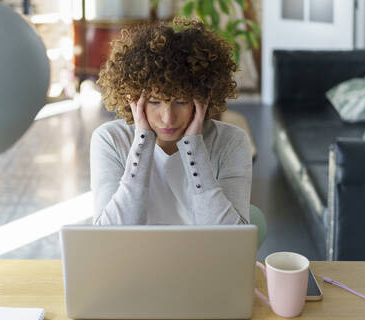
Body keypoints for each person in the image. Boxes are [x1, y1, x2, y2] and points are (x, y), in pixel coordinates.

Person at [91, 17, 252, 225]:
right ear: (132, 98)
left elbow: (234, 238)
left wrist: (194, 145)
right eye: (155, 102)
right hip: (135, 257)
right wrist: (142, 141)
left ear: (203, 98)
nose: (168, 118)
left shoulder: (232, 142)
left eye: (181, 101)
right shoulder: (110, 140)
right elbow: (108, 236)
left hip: (203, 257)